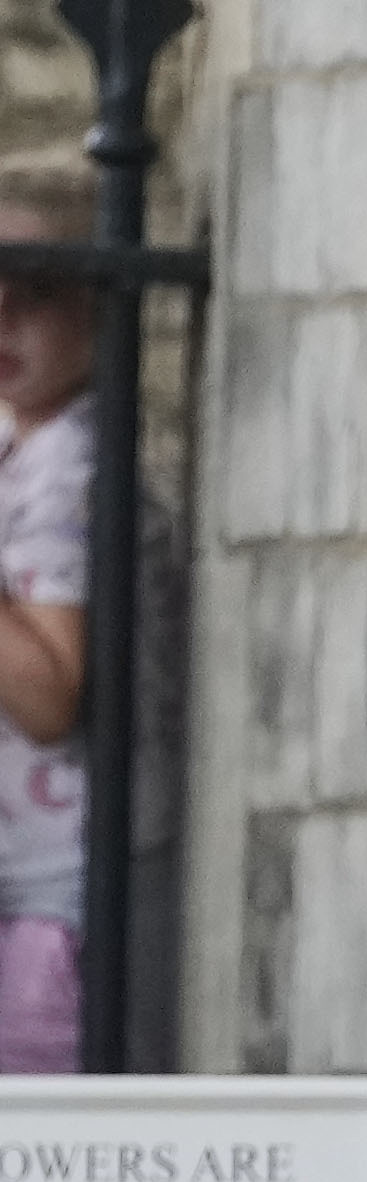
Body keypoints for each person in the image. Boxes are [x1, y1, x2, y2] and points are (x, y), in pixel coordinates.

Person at [0, 159, 109, 1074]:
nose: (2, 315)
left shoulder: (68, 464)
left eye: (32, 292)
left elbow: (49, 695)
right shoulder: (25, 448)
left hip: (56, 908)